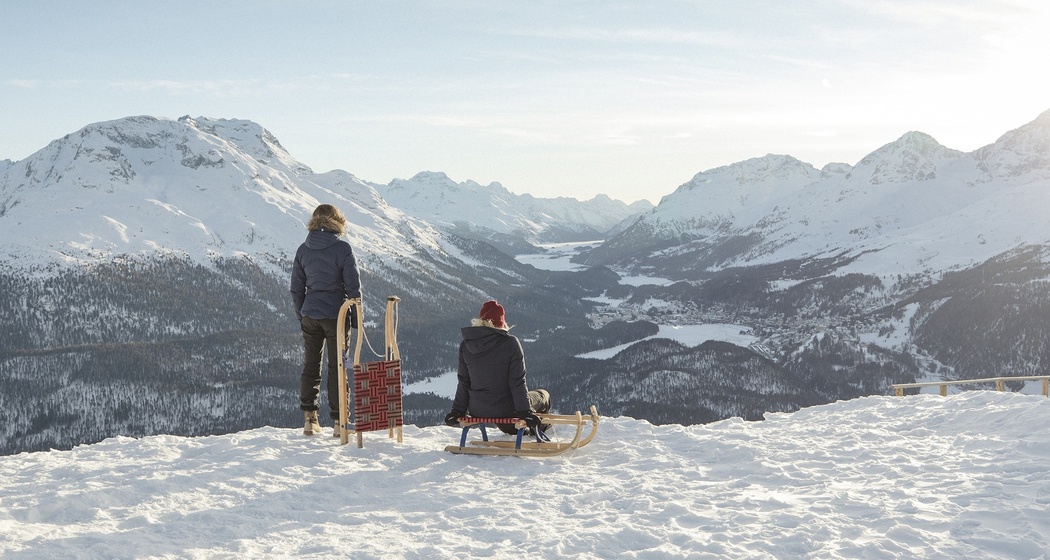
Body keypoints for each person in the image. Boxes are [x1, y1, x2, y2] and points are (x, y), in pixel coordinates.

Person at [290, 204, 362, 437]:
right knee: (337, 367)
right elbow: (353, 288)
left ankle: (310, 419)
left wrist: (302, 314)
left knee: (311, 365)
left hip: (310, 314)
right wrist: (356, 320)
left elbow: (296, 288)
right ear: (337, 220)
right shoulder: (342, 248)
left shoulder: (303, 249)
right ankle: (340, 422)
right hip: (336, 316)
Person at [444, 300, 551, 435]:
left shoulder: (466, 345)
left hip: (478, 410)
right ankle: (542, 429)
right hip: (507, 409)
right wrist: (525, 412)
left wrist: (457, 410)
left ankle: (517, 430)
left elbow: (464, 381)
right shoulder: (511, 343)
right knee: (543, 395)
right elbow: (517, 382)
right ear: (501, 322)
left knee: (505, 411)